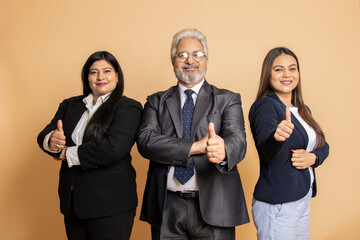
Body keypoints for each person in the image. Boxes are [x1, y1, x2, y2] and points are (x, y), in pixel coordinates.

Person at [137, 28, 249, 240]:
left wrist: (223, 150)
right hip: (166, 206)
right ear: (173, 62)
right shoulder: (155, 101)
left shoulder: (227, 99)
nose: (190, 60)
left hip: (216, 205)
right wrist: (195, 147)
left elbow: (238, 140)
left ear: (206, 60)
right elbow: (146, 141)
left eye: (197, 54)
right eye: (182, 55)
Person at [37, 51, 142, 240]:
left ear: (117, 76)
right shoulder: (70, 105)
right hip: (73, 204)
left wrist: (67, 153)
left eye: (107, 71)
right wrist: (51, 140)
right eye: (93, 72)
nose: (100, 77)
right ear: (87, 77)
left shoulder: (128, 108)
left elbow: (113, 148)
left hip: (111, 206)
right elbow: (44, 134)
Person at [249, 47, 330, 239]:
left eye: (292, 69)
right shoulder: (265, 105)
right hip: (279, 203)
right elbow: (265, 151)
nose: (287, 74)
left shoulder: (302, 109)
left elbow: (323, 145)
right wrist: (276, 138)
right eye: (278, 69)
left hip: (301, 198)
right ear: (268, 73)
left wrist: (313, 157)